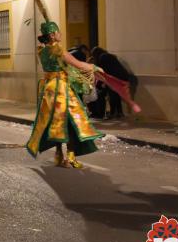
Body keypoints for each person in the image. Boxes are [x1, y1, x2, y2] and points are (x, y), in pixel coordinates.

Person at [26, 21, 104, 168]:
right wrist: (94, 67)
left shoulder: (41, 51)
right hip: (61, 89)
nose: (60, 34)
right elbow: (78, 64)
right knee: (71, 122)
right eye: (58, 32)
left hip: (48, 89)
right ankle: (71, 156)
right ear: (52, 35)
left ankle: (58, 155)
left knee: (54, 123)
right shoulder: (58, 50)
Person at [91, 46, 130, 118]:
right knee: (115, 95)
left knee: (112, 95)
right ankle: (119, 112)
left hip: (115, 78)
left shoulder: (102, 58)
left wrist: (101, 83)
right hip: (122, 77)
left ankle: (113, 113)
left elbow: (104, 71)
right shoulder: (108, 55)